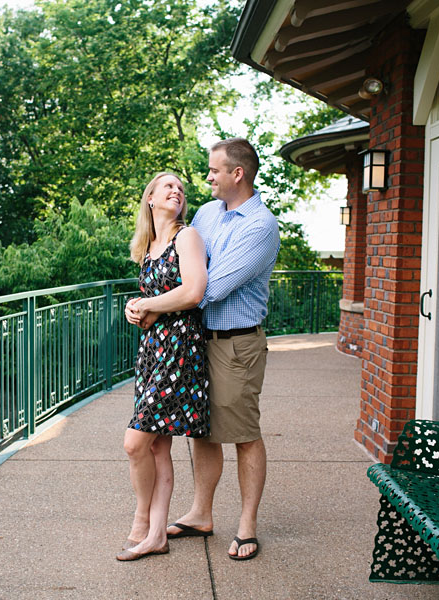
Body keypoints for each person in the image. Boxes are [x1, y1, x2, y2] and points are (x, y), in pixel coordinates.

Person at [127, 138, 279, 561]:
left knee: (243, 434)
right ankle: (200, 514)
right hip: (195, 343)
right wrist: (146, 302)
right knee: (203, 433)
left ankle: (247, 524)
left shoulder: (260, 226)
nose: (207, 177)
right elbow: (175, 266)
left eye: (214, 171)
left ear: (238, 174)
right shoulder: (208, 213)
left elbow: (205, 289)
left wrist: (151, 308)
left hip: (236, 344)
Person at [116, 172, 210, 561]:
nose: (177, 191)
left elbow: (193, 291)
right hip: (153, 352)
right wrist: (133, 309)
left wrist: (148, 306)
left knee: (134, 441)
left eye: (181, 189)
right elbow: (149, 299)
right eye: (167, 186)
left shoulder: (185, 237)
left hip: (180, 352)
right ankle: (157, 535)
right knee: (156, 446)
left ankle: (142, 520)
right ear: (150, 198)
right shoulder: (148, 247)